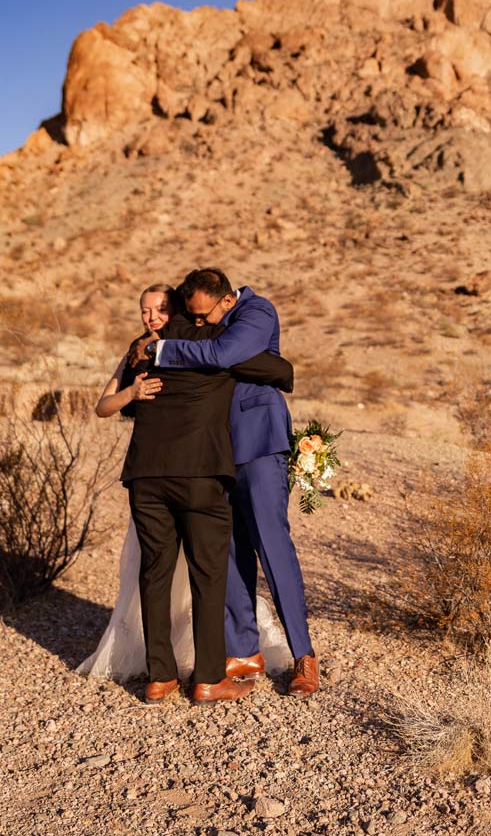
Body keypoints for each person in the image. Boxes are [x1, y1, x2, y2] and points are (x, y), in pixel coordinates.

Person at [78, 284, 292, 704]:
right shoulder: (214, 343)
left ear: (169, 310)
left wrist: (136, 387)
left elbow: (106, 405)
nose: (150, 318)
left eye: (156, 310)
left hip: (146, 475)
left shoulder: (141, 351)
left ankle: (160, 678)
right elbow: (278, 371)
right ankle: (209, 679)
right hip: (200, 476)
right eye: (145, 310)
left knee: (154, 573)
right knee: (208, 576)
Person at [142, 268, 318, 696]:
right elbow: (213, 350)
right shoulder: (205, 322)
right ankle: (242, 650)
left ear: (226, 300)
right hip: (212, 453)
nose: (199, 323)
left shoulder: (257, 311)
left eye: (205, 315)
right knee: (226, 552)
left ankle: (304, 656)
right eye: (194, 316)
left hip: (258, 444)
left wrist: (164, 349)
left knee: (271, 546)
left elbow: (223, 354)